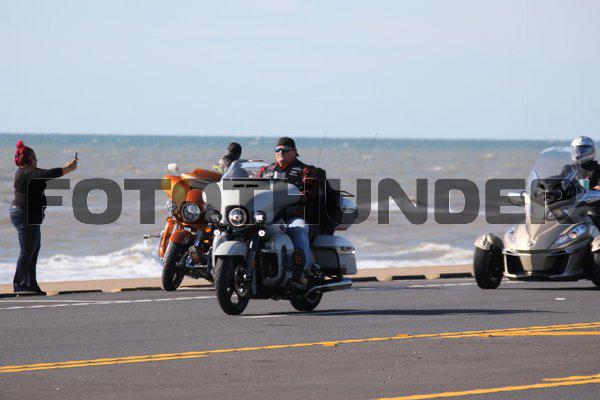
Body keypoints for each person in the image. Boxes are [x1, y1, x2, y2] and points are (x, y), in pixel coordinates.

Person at [10, 140, 78, 294]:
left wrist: (66, 167)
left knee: (33, 251)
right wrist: (68, 169)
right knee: (27, 252)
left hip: (29, 215)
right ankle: (19, 286)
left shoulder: (26, 171)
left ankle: (31, 285)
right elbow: (48, 174)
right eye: (34, 157)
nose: (36, 160)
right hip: (24, 214)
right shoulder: (27, 173)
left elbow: (46, 173)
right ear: (27, 160)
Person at [258, 137, 318, 291]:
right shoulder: (266, 170)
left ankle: (300, 274)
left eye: (284, 150)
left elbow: (310, 194)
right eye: (277, 150)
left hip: (293, 215)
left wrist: (291, 196)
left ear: (294, 152)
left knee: (299, 230)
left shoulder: (306, 170)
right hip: (266, 215)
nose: (280, 152)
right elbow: (252, 190)